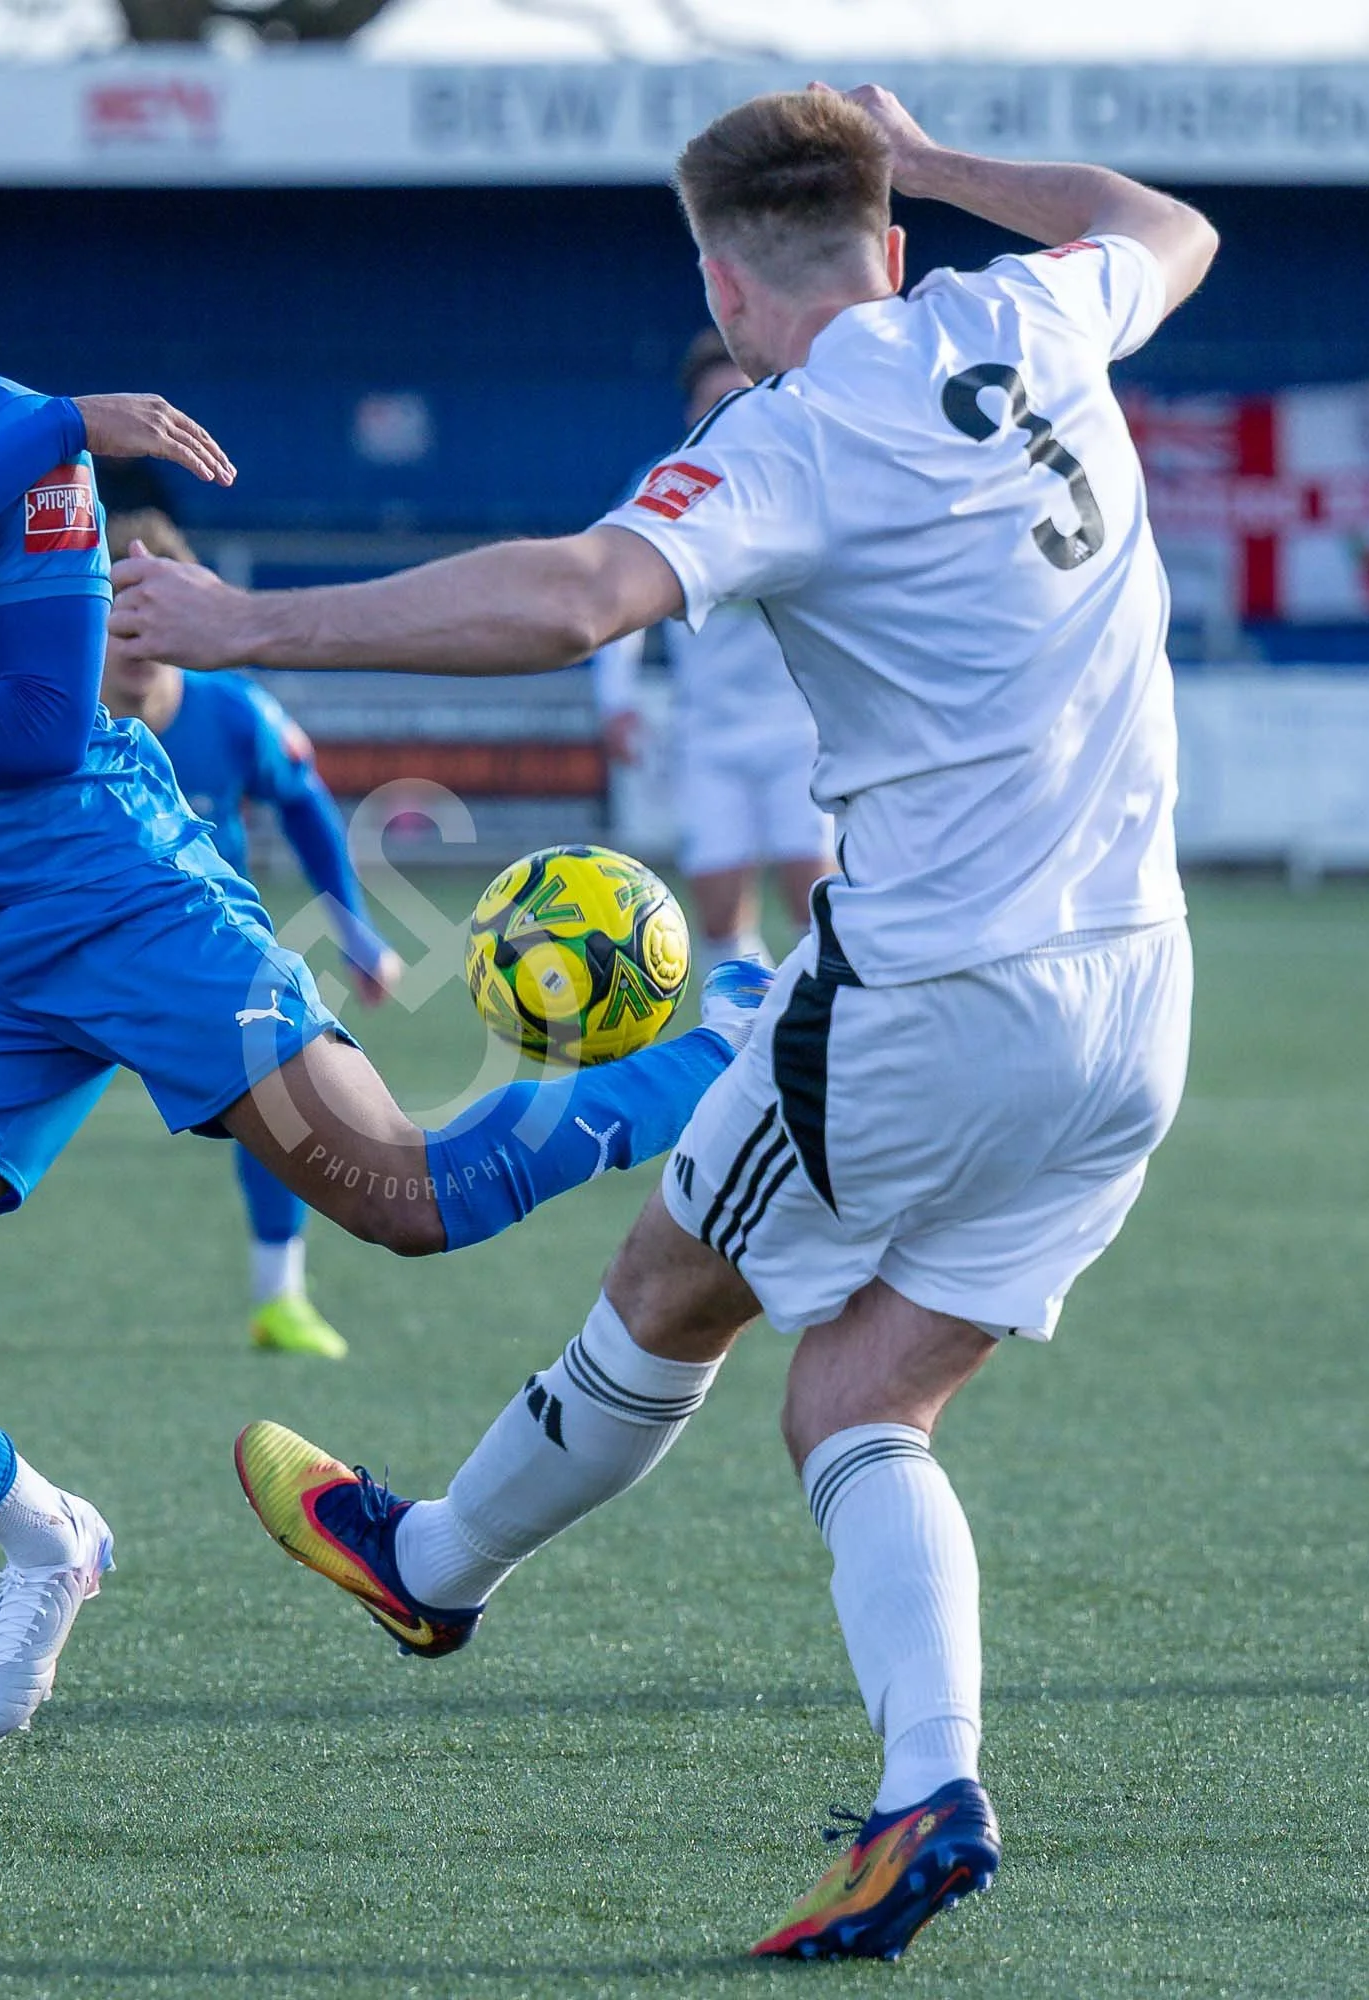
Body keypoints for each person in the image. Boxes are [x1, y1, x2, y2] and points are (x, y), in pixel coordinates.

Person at [113, 85, 1216, 1960]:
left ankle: (434, 1566)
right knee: (865, 1398)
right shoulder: (1026, 314)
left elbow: (576, 596)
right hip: (1141, 1003)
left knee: (665, 1293)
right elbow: (1165, 224)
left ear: (718, 274)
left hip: (931, 999)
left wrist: (244, 623)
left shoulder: (790, 435)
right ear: (894, 242)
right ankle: (921, 1797)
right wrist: (937, 158)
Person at [0, 165, 750, 1745]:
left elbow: (46, 730)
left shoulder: (37, 469)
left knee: (406, 1199)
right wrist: (59, 418)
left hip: (128, 904)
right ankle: (49, 1541)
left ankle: (736, 1038)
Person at [100, 506, 405, 1361]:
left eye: (150, 614)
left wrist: (358, 933)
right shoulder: (48, 713)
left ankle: (281, 1299)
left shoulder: (233, 714)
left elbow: (306, 807)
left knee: (277, 1088)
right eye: (114, 610)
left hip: (204, 953)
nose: (132, 635)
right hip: (72, 954)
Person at [592, 329, 832, 966]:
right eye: (713, 401)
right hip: (709, 734)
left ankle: (826, 1039)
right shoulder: (663, 487)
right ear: (692, 413)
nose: (728, 413)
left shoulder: (799, 476)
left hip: (800, 732)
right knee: (719, 909)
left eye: (741, 396)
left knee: (814, 900)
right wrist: (613, 700)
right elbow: (614, 591)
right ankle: (737, 1038)